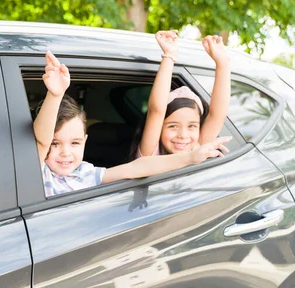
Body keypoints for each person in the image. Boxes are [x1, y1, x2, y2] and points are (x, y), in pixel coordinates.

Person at [33, 51, 231, 197]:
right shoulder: (37, 171)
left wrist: (191, 157)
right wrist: (55, 95)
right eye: (55, 143)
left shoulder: (86, 173)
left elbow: (136, 168)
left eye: (75, 143)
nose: (66, 152)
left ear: (85, 141)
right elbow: (41, 140)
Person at [134, 30, 231, 157]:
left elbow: (217, 115)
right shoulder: (150, 153)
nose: (183, 135)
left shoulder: (197, 147)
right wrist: (169, 55)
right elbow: (156, 111)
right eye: (173, 126)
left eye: (192, 126)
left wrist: (223, 63)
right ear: (160, 128)